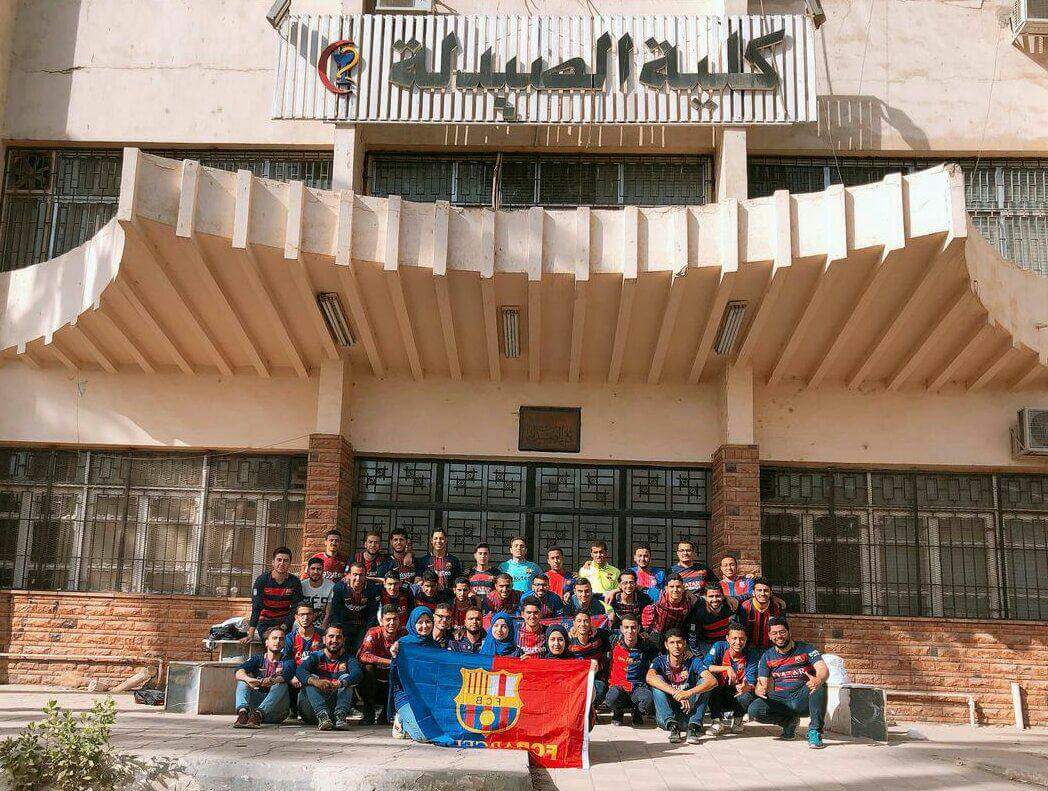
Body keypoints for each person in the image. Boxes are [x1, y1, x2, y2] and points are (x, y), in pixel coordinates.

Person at [748, 618, 829, 749]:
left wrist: (818, 679)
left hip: (802, 697)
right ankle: (788, 721)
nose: (779, 636)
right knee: (754, 710)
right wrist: (759, 690)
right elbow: (761, 683)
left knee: (820, 684)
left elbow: (822, 668)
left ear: (789, 632)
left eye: (782, 632)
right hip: (781, 700)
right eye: (774, 633)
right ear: (769, 636)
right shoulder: (766, 656)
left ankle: (815, 731)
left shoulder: (806, 648)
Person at [692, 621, 758, 736]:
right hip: (718, 692)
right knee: (710, 680)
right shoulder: (719, 646)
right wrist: (726, 668)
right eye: (734, 638)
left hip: (737, 693)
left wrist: (746, 687)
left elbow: (751, 681)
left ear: (746, 639)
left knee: (747, 694)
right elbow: (705, 666)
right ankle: (717, 722)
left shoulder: (751, 654)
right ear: (727, 638)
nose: (738, 642)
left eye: (741, 639)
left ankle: (738, 720)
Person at [296, 624, 363, 731]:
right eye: (331, 636)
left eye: (338, 637)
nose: (334, 640)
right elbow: (300, 671)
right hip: (311, 711)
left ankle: (340, 716)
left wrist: (340, 683)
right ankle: (322, 716)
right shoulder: (315, 656)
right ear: (324, 639)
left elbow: (357, 674)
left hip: (333, 712)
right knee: (311, 678)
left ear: (343, 640)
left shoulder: (349, 658)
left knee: (346, 677)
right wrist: (316, 682)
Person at [645, 629, 705, 744]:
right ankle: (673, 727)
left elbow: (712, 681)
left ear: (685, 643)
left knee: (705, 682)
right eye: (672, 643)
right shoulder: (659, 661)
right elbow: (649, 677)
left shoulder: (693, 660)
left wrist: (688, 693)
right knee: (657, 681)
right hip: (666, 718)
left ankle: (693, 727)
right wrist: (676, 693)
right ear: (666, 645)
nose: (676, 646)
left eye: (679, 642)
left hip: (688, 715)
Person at [389, 606, 439, 741]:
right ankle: (401, 720)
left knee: (442, 729)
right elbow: (394, 677)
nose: (425, 626)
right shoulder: (403, 644)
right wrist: (394, 658)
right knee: (424, 736)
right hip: (406, 695)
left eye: (428, 621)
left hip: (427, 696)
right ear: (412, 623)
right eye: (420, 622)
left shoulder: (435, 646)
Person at [233, 625, 293, 727]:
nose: (278, 641)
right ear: (266, 642)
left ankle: (258, 714)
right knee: (243, 681)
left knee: (281, 685)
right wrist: (249, 679)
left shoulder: (288, 660)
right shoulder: (258, 659)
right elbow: (238, 671)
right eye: (274, 638)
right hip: (253, 713)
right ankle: (242, 714)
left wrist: (270, 681)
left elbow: (286, 676)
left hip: (277, 711)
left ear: (284, 643)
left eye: (281, 639)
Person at [604, 615, 657, 726]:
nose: (630, 631)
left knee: (648, 700)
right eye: (626, 627)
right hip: (618, 686)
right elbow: (595, 633)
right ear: (621, 629)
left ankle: (637, 712)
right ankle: (618, 712)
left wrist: (687, 651)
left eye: (633, 627)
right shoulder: (613, 641)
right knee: (611, 698)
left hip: (638, 686)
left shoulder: (647, 645)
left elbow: (661, 654)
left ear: (638, 628)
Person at [356, 605, 404, 726]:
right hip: (372, 684)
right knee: (367, 668)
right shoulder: (374, 633)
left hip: (393, 683)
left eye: (395, 619)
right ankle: (369, 714)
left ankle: (386, 715)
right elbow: (363, 655)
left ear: (399, 620)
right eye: (388, 619)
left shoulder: (404, 634)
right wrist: (389, 662)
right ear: (381, 621)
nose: (392, 623)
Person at [244, 547, 302, 644]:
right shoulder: (262, 580)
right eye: (279, 560)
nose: (282, 563)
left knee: (284, 644)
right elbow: (256, 607)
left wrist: (284, 626)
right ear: (273, 562)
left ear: (289, 564)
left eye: (285, 561)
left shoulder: (294, 582)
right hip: (265, 621)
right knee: (271, 642)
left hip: (284, 622)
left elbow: (296, 608)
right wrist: (251, 633)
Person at [324, 562, 382, 653]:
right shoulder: (340, 587)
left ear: (365, 576)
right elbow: (335, 612)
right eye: (355, 574)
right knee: (341, 650)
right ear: (349, 575)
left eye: (361, 575)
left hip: (363, 625)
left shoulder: (372, 588)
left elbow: (373, 614)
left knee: (362, 650)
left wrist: (368, 634)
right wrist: (339, 633)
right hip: (344, 625)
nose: (358, 578)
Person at [284, 603, 322, 720]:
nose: (305, 618)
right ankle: (292, 708)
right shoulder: (290, 637)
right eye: (302, 614)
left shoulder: (322, 635)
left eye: (309, 614)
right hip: (296, 677)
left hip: (316, 676)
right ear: (296, 617)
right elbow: (286, 660)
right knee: (283, 675)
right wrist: (292, 677)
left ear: (314, 616)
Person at [567, 612, 610, 711]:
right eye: (579, 621)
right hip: (576, 679)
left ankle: (590, 711)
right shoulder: (568, 640)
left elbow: (614, 636)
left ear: (590, 623)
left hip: (595, 678)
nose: (582, 624)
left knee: (600, 687)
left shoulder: (599, 636)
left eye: (586, 621)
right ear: (574, 623)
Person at [685, 584, 738, 655]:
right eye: (711, 596)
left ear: (723, 596)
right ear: (705, 597)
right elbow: (692, 638)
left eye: (718, 596)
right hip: (707, 644)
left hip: (726, 642)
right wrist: (699, 656)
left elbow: (746, 596)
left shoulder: (730, 604)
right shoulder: (699, 613)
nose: (715, 599)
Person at [738, 577, 788, 651]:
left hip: (771, 649)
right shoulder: (745, 607)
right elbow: (740, 630)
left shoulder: (778, 607)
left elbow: (783, 630)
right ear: (753, 593)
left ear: (771, 593)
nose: (762, 593)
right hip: (749, 649)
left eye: (766, 590)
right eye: (759, 590)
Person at [641, 575, 692, 640]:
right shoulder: (658, 598)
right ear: (666, 588)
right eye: (671, 587)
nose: (675, 590)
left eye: (678, 586)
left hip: (676, 636)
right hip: (657, 635)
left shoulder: (689, 600)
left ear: (683, 588)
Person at [300, 557, 335, 628]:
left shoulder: (331, 586)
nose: (316, 572)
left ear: (323, 571)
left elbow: (328, 614)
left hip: (322, 622)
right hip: (304, 621)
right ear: (308, 570)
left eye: (319, 569)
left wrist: (322, 629)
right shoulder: (301, 585)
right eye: (313, 569)